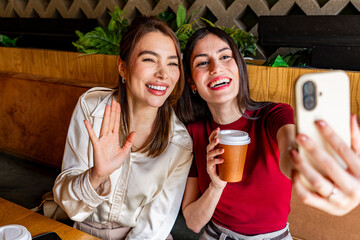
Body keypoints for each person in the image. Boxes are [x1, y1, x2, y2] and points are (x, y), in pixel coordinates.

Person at [176, 26, 360, 240]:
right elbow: (193, 222)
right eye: (203, 62)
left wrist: (320, 178)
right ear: (191, 83)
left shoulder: (274, 115)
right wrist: (216, 185)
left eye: (225, 56)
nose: (216, 68)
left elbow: (290, 150)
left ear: (238, 67)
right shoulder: (194, 132)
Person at [53, 16, 193, 240]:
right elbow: (70, 206)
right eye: (149, 59)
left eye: (172, 63)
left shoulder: (179, 143)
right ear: (123, 67)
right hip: (80, 231)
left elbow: (153, 227)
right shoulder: (92, 108)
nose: (163, 74)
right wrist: (97, 176)